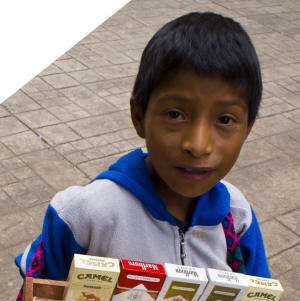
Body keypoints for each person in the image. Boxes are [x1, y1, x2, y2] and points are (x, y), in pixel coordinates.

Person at [15, 11, 270, 280]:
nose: (197, 145)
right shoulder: (83, 214)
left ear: (247, 129)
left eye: (225, 119)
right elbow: (36, 291)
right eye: (175, 114)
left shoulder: (237, 218)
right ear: (139, 117)